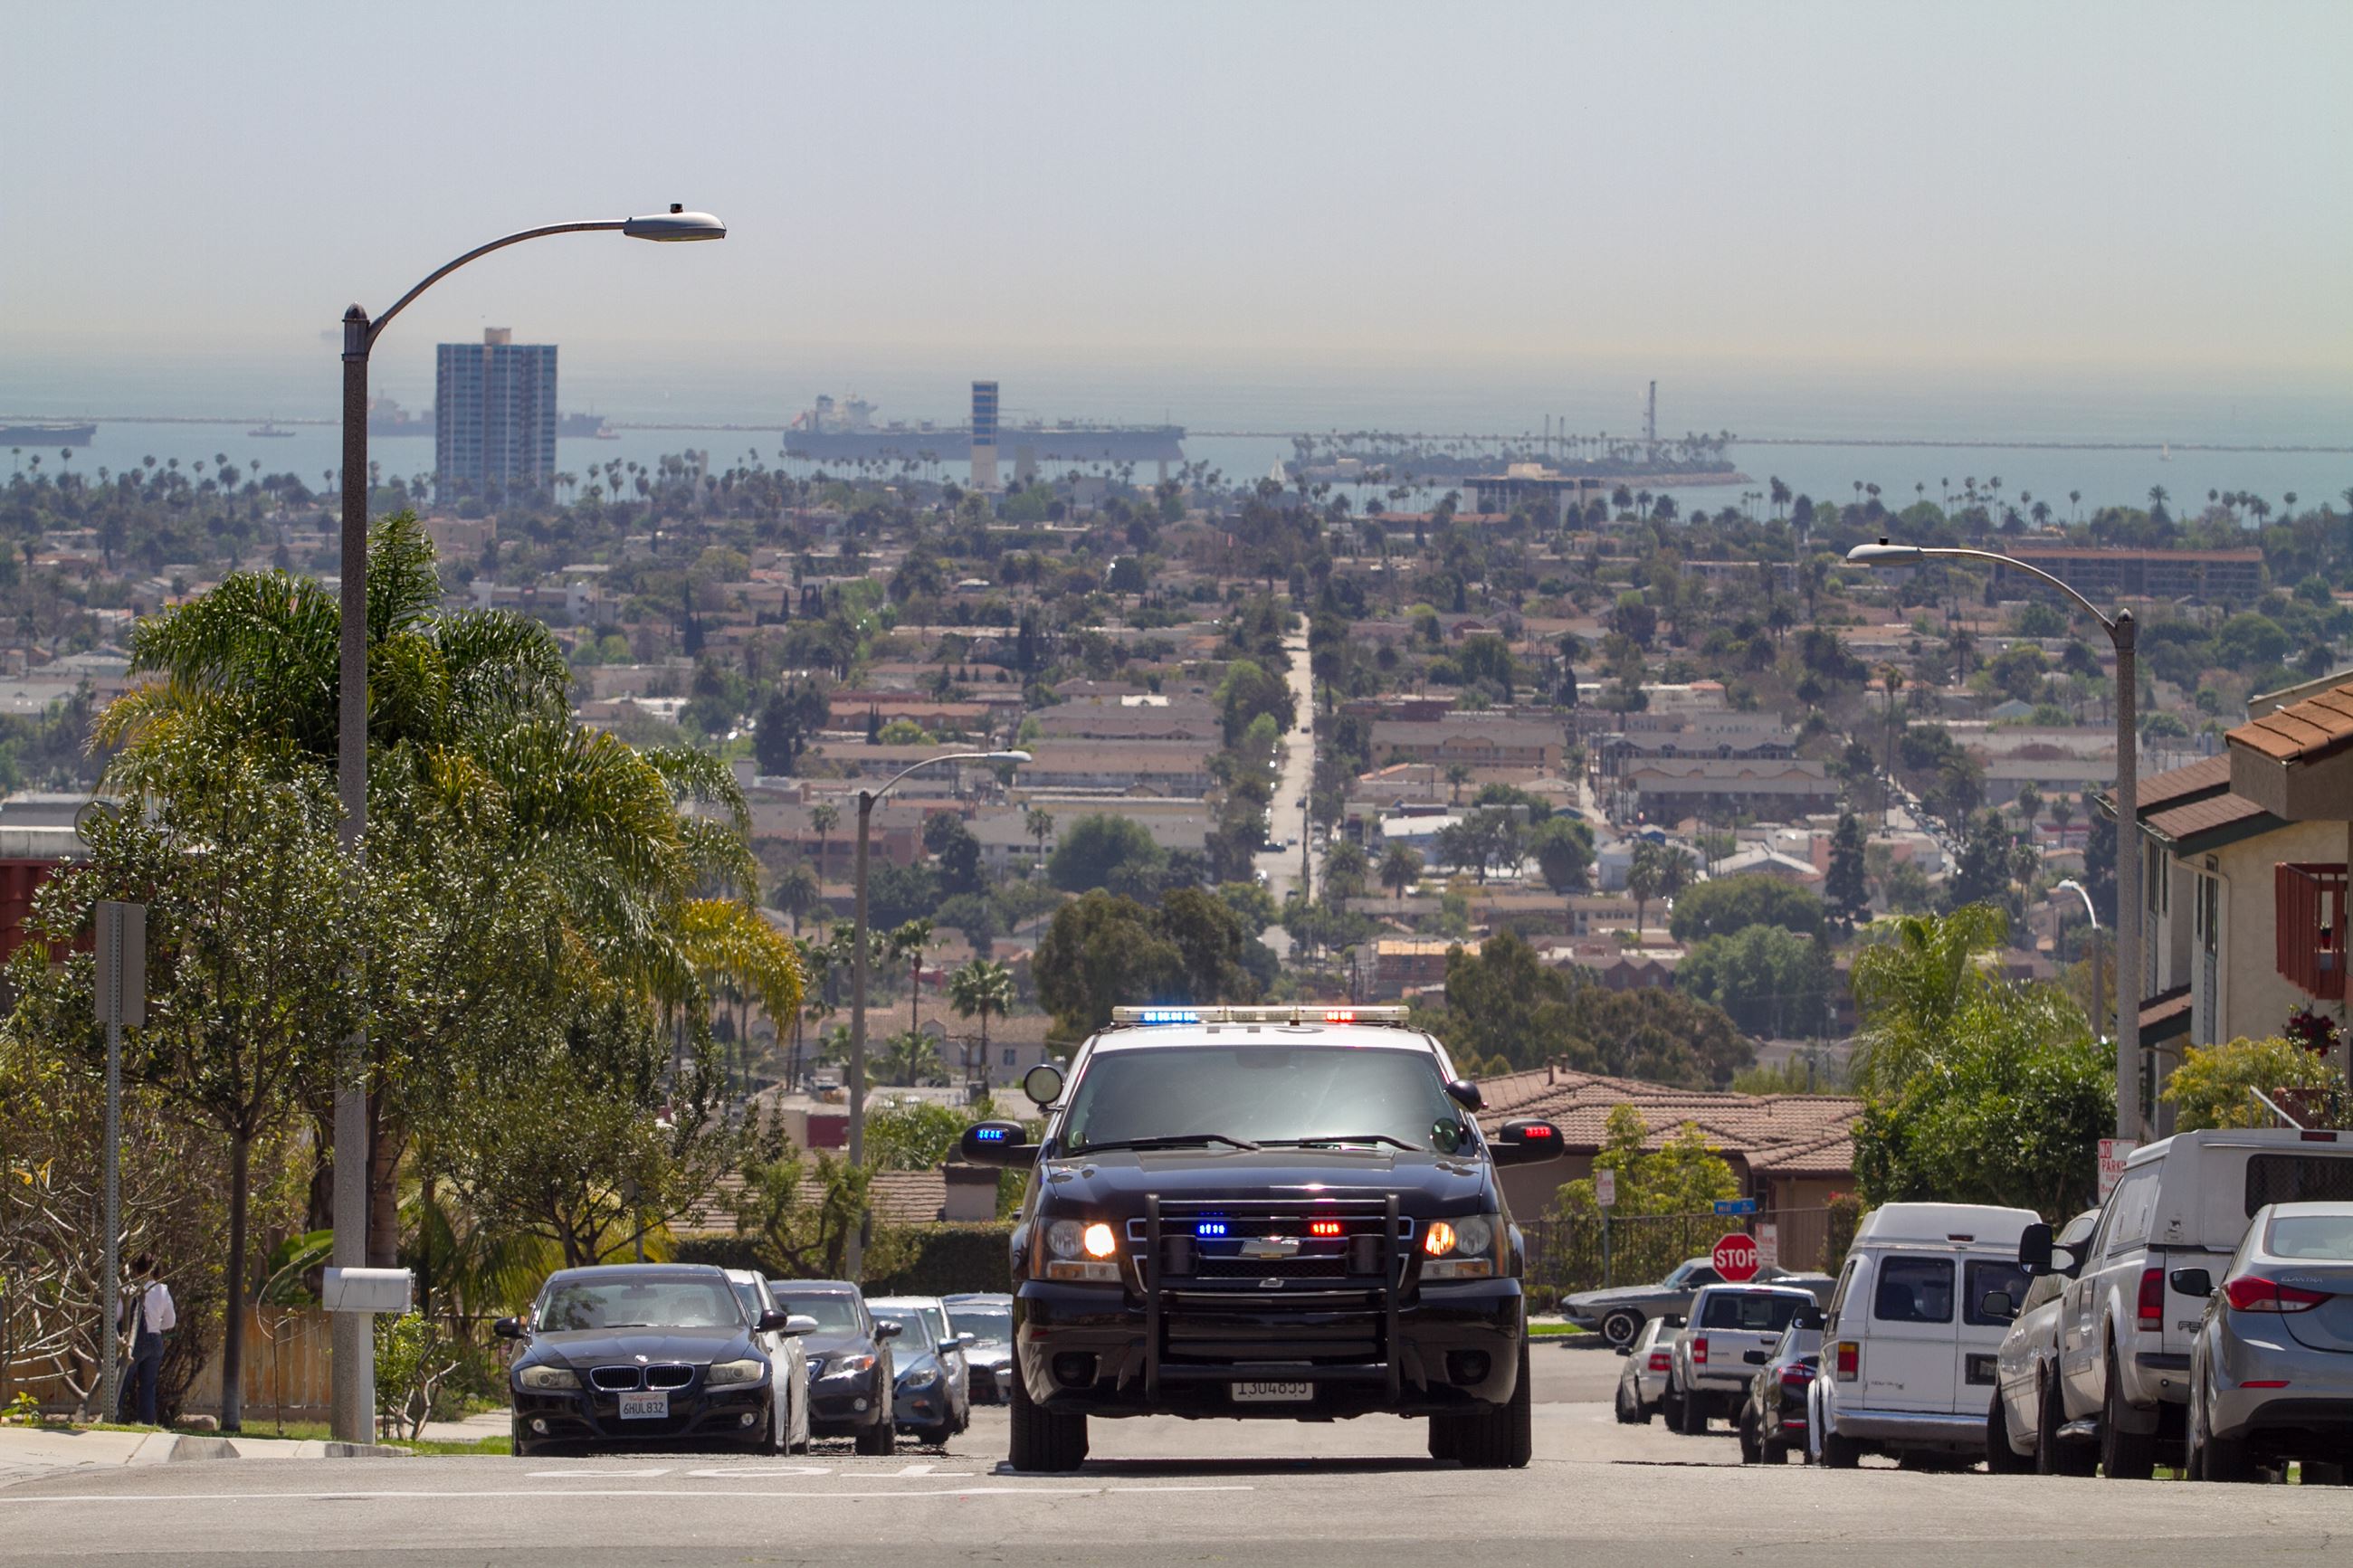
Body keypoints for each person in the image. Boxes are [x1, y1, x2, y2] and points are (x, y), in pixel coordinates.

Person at [119, 1254, 176, 1426]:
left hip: (135, 1339)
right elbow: (170, 1321)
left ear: (136, 1269)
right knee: (148, 1386)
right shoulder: (162, 1290)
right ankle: (147, 1423)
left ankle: (114, 1417)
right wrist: (156, 1326)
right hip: (155, 1339)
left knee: (121, 1382)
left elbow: (117, 1315)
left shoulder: (131, 1289)